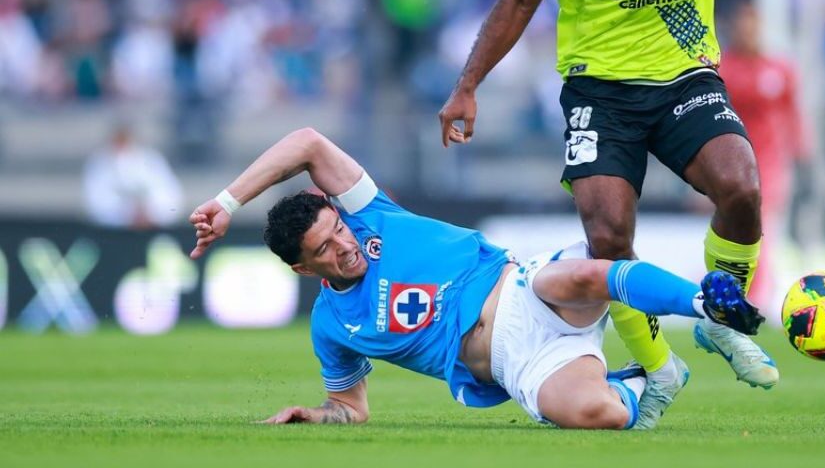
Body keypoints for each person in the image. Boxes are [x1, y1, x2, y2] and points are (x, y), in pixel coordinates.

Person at [438, 0, 825, 426]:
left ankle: (721, 318)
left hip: (684, 79)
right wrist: (468, 86)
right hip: (601, 93)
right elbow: (519, 0)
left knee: (742, 187)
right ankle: (660, 367)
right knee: (608, 241)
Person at [187, 127, 763, 430]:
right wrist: (314, 415)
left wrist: (227, 200)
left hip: (521, 289)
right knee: (599, 416)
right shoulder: (333, 326)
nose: (346, 246)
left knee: (580, 276)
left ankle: (707, 305)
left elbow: (307, 143)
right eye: (326, 249)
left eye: (339, 230)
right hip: (518, 366)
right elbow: (352, 408)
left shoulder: (373, 214)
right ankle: (646, 379)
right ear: (301, 268)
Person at [719, 2, 810, 306]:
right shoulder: (723, 69)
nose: (748, 33)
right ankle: (728, 293)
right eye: (742, 26)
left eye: (753, 26)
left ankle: (752, 299)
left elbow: (793, 115)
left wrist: (803, 157)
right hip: (728, 162)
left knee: (757, 227)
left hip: (769, 164)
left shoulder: (779, 69)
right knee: (732, 230)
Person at [83, 123, 184, 229]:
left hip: (153, 229)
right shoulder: (99, 163)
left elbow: (171, 195)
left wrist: (151, 212)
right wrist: (127, 214)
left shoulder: (151, 159)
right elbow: (96, 202)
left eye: (125, 140)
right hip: (113, 233)